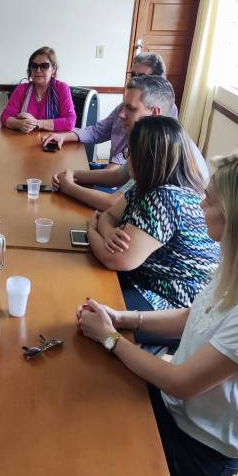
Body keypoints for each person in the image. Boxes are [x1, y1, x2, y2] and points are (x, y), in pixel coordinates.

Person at [77, 148, 238, 476]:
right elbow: (192, 316)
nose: (201, 204)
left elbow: (181, 382)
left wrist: (110, 338)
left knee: (87, 441)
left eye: (211, 201)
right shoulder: (234, 265)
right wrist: (123, 317)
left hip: (196, 449)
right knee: (87, 392)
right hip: (175, 409)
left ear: (237, 217)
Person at [87, 116, 220, 315]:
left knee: (89, 300)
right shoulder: (146, 187)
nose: (127, 159)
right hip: (144, 280)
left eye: (130, 152)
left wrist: (91, 232)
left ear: (146, 158)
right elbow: (108, 216)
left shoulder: (166, 198)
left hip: (173, 302)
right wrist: (108, 234)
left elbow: (116, 259)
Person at [51, 75, 209, 211]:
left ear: (154, 113)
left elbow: (113, 203)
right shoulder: (153, 138)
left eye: (131, 109)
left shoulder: (160, 149)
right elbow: (118, 175)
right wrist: (74, 174)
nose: (121, 114)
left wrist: (69, 187)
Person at [41, 52, 169, 161]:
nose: (134, 81)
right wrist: (64, 136)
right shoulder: (124, 107)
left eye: (141, 77)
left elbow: (121, 172)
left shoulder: (165, 116)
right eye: (133, 75)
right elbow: (98, 131)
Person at [0, 46, 76, 133]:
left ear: (53, 69)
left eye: (44, 66)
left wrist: (37, 123)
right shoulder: (21, 89)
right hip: (23, 139)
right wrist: (19, 124)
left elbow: (70, 121)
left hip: (51, 139)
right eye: (34, 66)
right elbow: (5, 117)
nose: (38, 70)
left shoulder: (62, 88)